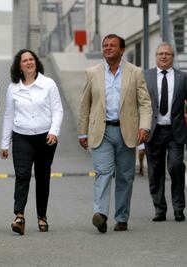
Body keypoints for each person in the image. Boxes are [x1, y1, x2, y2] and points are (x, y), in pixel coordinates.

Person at [78, 34, 152, 233]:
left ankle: (121, 218)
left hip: (127, 131)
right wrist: (82, 132)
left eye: (112, 45)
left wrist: (144, 127)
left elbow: (145, 103)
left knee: (125, 177)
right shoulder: (92, 72)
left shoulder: (135, 73)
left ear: (122, 50)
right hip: (101, 131)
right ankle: (100, 214)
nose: (108, 48)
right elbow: (85, 104)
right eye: (105, 45)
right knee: (103, 172)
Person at [0, 49, 63, 235]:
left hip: (45, 137)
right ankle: (19, 215)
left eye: (31, 59)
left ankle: (42, 216)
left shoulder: (48, 84)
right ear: (19, 66)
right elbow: (9, 115)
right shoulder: (13, 88)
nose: (28, 62)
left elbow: (58, 110)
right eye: (24, 60)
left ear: (36, 62)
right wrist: (5, 143)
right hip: (21, 137)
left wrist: (54, 131)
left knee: (43, 177)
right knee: (22, 175)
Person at [144, 42, 187, 222]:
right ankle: (159, 209)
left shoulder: (183, 77)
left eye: (167, 54)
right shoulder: (146, 76)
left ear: (172, 57)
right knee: (155, 171)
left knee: (176, 166)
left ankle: (179, 208)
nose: (163, 56)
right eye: (160, 54)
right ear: (156, 56)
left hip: (175, 131)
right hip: (153, 131)